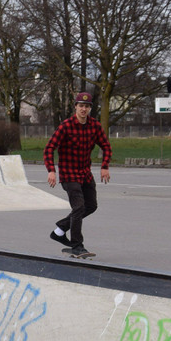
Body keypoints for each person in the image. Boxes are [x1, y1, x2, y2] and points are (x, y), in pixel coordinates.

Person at [43, 91, 112, 256]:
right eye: (81, 106)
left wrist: (105, 166)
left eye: (87, 107)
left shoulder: (94, 126)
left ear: (90, 109)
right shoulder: (66, 126)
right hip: (69, 173)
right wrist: (51, 170)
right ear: (75, 107)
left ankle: (60, 230)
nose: (83, 109)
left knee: (91, 206)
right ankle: (77, 246)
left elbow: (106, 146)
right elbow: (49, 148)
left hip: (85, 173)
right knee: (79, 207)